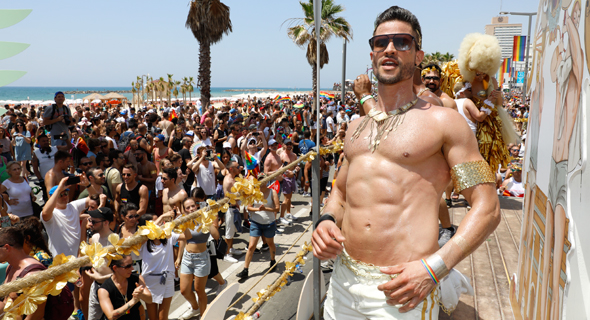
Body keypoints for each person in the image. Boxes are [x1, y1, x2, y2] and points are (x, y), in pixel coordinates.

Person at [312, 7, 500, 319]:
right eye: (380, 42)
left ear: (417, 55)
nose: (389, 48)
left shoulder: (444, 123)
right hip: (343, 283)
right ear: (372, 55)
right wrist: (327, 220)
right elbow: (341, 193)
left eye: (402, 42)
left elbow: (488, 206)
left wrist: (435, 268)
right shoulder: (357, 128)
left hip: (403, 290)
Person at [139, 214, 192, 320]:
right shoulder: (142, 242)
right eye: (156, 222)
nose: (160, 224)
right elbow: (148, 231)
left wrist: (184, 223)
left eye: (160, 222)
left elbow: (188, 236)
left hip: (167, 279)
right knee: (153, 317)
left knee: (163, 317)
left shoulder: (168, 236)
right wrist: (162, 216)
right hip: (150, 282)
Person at [176, 197, 219, 320]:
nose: (191, 209)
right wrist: (179, 257)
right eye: (187, 208)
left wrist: (208, 221)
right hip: (187, 258)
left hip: (201, 258)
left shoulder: (204, 218)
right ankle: (195, 308)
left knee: (199, 290)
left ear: (197, 206)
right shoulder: (184, 220)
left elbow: (216, 236)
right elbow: (183, 240)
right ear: (184, 210)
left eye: (192, 206)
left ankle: (203, 315)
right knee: (184, 290)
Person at [236, 174, 279, 279]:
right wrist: (258, 210)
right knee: (251, 246)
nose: (261, 183)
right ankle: (245, 270)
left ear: (267, 181)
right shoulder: (253, 193)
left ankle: (273, 261)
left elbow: (277, 208)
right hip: (256, 223)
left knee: (270, 243)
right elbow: (249, 208)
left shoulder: (272, 192)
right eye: (259, 180)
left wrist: (266, 209)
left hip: (269, 223)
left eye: (264, 180)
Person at [97, 255, 152, 320]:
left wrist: (141, 295)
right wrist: (134, 300)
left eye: (132, 264)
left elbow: (150, 300)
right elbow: (111, 316)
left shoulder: (137, 278)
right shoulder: (104, 290)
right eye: (128, 266)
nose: (132, 268)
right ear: (115, 268)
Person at [84, 207, 115, 320]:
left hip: (112, 289)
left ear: (106, 222)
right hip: (96, 286)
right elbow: (94, 261)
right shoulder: (94, 237)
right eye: (90, 220)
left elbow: (123, 271)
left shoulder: (115, 241)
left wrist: (102, 277)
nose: (90, 224)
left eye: (94, 221)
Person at [221, 160, 244, 263]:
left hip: (234, 207)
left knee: (232, 231)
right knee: (229, 233)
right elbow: (227, 196)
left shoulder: (233, 178)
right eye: (237, 166)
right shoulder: (228, 180)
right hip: (230, 209)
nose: (239, 167)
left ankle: (231, 248)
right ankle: (226, 254)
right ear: (231, 169)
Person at [279, 139, 299, 222]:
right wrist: (288, 173)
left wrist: (296, 170)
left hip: (292, 177)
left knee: (290, 197)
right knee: (286, 198)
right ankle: (281, 217)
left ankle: (288, 213)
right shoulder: (281, 155)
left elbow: (296, 166)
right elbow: (280, 168)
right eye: (287, 144)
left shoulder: (294, 155)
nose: (289, 146)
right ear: (283, 145)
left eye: (290, 144)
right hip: (285, 178)